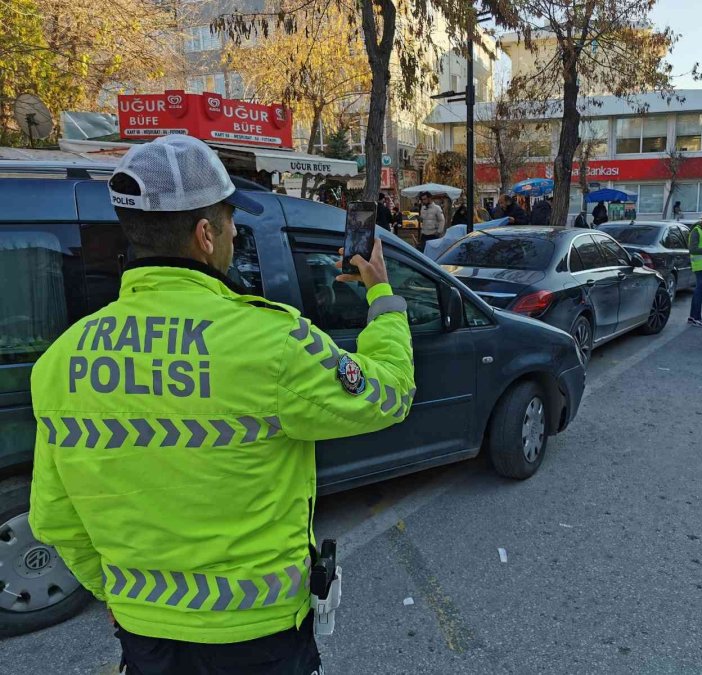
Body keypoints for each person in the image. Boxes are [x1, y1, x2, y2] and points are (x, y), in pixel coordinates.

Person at [28, 135, 415, 674]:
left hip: (145, 636)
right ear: (205, 235)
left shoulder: (62, 361)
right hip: (260, 637)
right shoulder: (272, 343)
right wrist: (382, 296)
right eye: (230, 219)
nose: (236, 231)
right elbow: (388, 394)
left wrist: (119, 598)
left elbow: (54, 518)